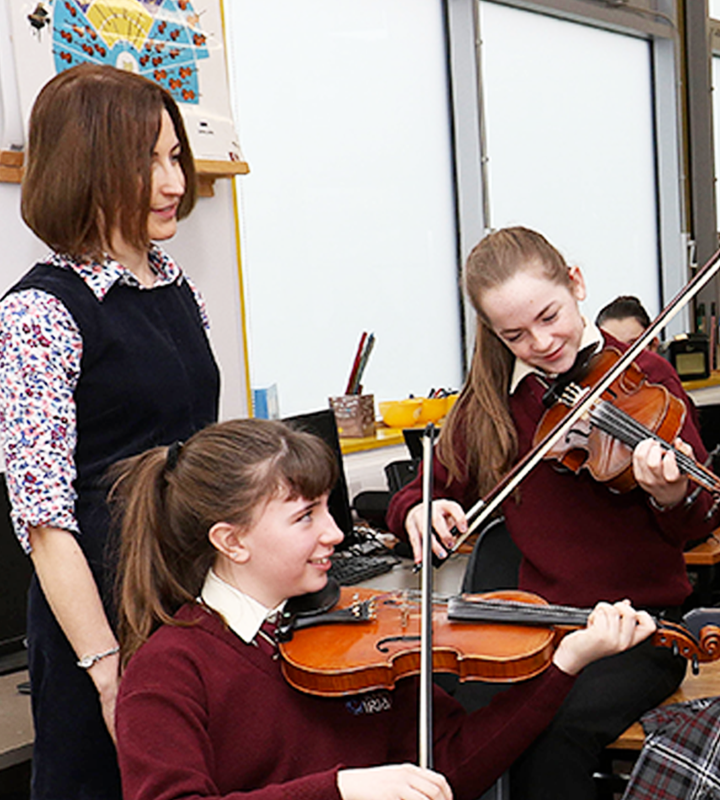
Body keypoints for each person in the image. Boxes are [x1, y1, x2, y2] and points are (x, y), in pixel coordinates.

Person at [111, 418, 654, 800]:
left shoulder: (362, 633)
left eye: (328, 508)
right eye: (305, 517)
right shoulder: (169, 667)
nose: (336, 533)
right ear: (232, 541)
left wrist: (565, 665)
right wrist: (343, 787)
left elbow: (451, 767)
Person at [386, 226, 717, 800]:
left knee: (552, 735)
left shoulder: (648, 379)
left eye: (549, 316)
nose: (540, 343)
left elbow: (699, 519)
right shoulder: (493, 402)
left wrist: (667, 492)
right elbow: (420, 490)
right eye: (515, 334)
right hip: (536, 626)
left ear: (577, 284)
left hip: (634, 628)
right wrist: (420, 508)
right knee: (452, 724)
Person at [0, 64, 219, 799]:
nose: (173, 182)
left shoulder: (175, 285)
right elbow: (44, 520)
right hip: (105, 616)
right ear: (88, 169)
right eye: (147, 161)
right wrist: (104, 666)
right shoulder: (38, 314)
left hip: (190, 596)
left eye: (175, 157)